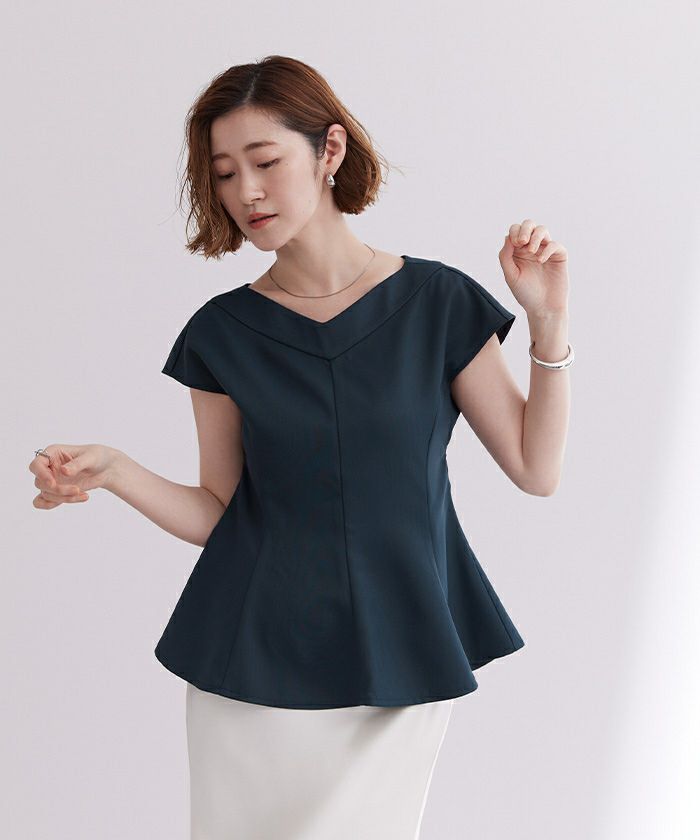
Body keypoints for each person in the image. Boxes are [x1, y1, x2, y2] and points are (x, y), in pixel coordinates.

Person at [28, 55, 572, 840]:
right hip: (249, 669)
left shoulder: (437, 303)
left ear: (330, 151)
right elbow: (221, 511)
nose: (245, 191)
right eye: (224, 174)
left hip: (401, 652)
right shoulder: (222, 333)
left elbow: (536, 469)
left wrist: (549, 327)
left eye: (264, 161)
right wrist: (114, 470)